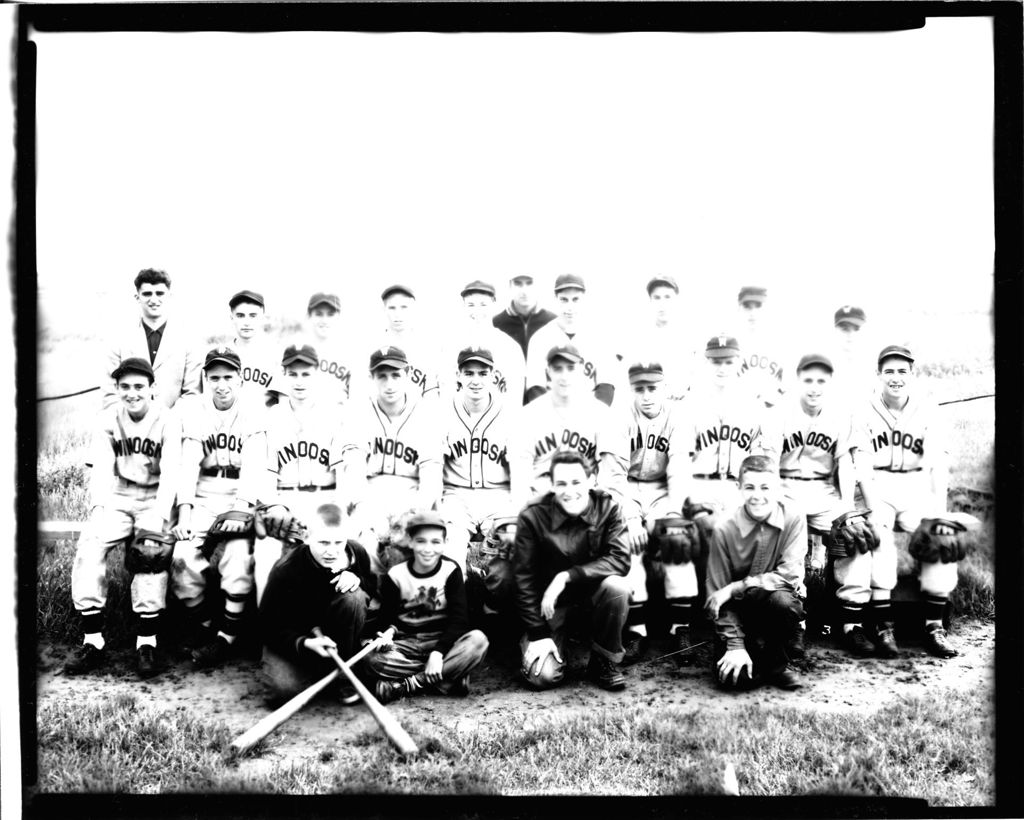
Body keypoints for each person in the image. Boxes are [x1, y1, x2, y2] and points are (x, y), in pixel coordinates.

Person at [64, 357, 182, 678]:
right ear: (117, 388)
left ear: (152, 388)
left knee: (150, 552)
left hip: (154, 496)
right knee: (90, 544)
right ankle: (93, 639)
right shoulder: (107, 419)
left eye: (139, 386)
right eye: (125, 387)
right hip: (118, 494)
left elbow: (171, 475)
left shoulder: (167, 420)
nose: (132, 393)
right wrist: (99, 509)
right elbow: (101, 470)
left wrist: (158, 518)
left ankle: (147, 641)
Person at [847, 344, 962, 658]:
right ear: (879, 375)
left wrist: (939, 512)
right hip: (877, 486)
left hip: (915, 485)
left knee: (941, 538)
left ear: (913, 374)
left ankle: (934, 626)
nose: (895, 378)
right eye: (889, 371)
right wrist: (871, 511)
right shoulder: (864, 408)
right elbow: (863, 467)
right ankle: (884, 626)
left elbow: (937, 464)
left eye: (902, 371)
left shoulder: (928, 409)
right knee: (878, 535)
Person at [169, 346, 264, 668]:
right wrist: (184, 511)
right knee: (182, 558)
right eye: (214, 378)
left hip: (241, 492)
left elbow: (254, 467)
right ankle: (207, 626)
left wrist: (241, 509)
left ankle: (228, 637)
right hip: (205, 493)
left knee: (237, 557)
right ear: (205, 380)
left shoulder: (254, 409)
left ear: (240, 379)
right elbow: (188, 465)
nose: (221, 384)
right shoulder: (195, 409)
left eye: (228, 377)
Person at [514, 450, 632, 692]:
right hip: (550, 605)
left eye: (577, 482)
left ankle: (603, 659)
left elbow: (620, 559)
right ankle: (553, 646)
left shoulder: (608, 507)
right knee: (543, 677)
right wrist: (538, 633)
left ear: (591, 480)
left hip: (592, 595)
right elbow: (523, 579)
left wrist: (568, 576)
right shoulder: (533, 514)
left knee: (618, 589)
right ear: (552, 486)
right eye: (561, 484)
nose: (569, 491)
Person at [610, 362, 697, 663]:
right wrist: (630, 518)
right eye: (640, 389)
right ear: (631, 390)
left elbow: (680, 470)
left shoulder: (677, 416)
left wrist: (671, 514)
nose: (647, 395)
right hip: (627, 491)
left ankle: (679, 626)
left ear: (664, 387)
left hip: (663, 490)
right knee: (628, 544)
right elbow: (613, 475)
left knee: (677, 538)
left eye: (652, 388)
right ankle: (637, 629)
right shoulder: (619, 415)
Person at [246, 343, 346, 605]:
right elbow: (265, 474)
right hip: (285, 499)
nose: (299, 381)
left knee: (335, 558)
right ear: (283, 374)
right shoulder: (271, 417)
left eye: (306, 374)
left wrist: (336, 510)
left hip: (325, 500)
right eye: (293, 374)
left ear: (318, 374)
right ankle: (269, 637)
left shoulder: (334, 415)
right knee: (266, 555)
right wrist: (276, 506)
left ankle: (338, 633)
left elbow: (342, 474)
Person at [437, 346, 529, 614]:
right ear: (458, 375)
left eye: (482, 373)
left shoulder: (511, 414)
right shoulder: (442, 411)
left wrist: (516, 513)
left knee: (507, 551)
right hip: (456, 494)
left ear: (493, 375)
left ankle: (501, 615)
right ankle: (453, 617)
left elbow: (520, 474)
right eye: (469, 373)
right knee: (450, 547)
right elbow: (433, 466)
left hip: (498, 495)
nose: (476, 380)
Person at [704, 455, 807, 691]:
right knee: (737, 682)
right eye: (749, 487)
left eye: (765, 487)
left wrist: (735, 587)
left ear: (778, 488)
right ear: (739, 488)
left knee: (785, 602)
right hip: (738, 612)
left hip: (774, 604)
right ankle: (747, 649)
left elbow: (788, 576)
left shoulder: (793, 518)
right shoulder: (725, 527)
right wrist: (734, 645)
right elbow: (716, 594)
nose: (757, 495)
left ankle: (778, 660)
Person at [258, 502, 374, 705]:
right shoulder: (286, 569)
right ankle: (322, 669)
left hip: (336, 634)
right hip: (297, 635)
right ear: (307, 537)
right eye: (323, 543)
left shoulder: (356, 552)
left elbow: (372, 588)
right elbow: (266, 626)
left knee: (354, 597)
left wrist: (357, 579)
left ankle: (342, 675)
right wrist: (305, 643)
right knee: (281, 692)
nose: (332, 551)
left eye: (339, 542)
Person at [367, 511, 489, 704]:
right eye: (421, 541)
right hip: (407, 644)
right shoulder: (396, 575)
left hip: (441, 641)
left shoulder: (451, 570)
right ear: (411, 542)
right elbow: (386, 619)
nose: (428, 549)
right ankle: (448, 677)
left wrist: (438, 653)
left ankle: (407, 685)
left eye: (435, 542)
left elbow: (459, 620)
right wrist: (387, 634)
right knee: (371, 658)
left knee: (478, 642)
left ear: (444, 543)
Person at [341, 346, 443, 560]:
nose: (389, 384)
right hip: (370, 493)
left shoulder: (426, 414)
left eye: (396, 375)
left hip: (411, 493)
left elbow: (431, 477)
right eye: (382, 376)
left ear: (407, 376)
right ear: (372, 378)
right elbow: (354, 471)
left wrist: (414, 511)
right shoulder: (358, 413)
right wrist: (365, 508)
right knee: (364, 547)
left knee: (411, 549)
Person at [517, 343, 625, 497]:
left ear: (582, 369)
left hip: (585, 503)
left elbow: (612, 478)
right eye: (558, 369)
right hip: (542, 504)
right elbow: (520, 481)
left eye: (570, 368)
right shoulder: (527, 416)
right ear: (548, 372)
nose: (564, 376)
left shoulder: (601, 414)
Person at [103, 268, 201, 409]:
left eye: (160, 293)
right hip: (130, 426)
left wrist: (168, 422)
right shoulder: (119, 341)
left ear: (169, 296)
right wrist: (133, 420)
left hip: (175, 426)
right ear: (137, 297)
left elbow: (193, 394)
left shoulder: (188, 341)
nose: (154, 300)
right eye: (147, 294)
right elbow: (110, 394)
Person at [524, 274, 621, 406]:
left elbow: (607, 387)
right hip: (551, 415)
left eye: (575, 299)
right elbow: (535, 389)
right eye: (564, 300)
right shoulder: (539, 339)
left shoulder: (600, 337)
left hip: (589, 413)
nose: (570, 307)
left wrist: (593, 416)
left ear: (584, 299)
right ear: (555, 299)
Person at [440, 280, 527, 403]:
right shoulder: (451, 346)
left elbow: (515, 398)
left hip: (499, 419)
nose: (477, 311)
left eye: (483, 304)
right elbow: (446, 393)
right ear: (463, 306)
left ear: (494, 305)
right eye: (471, 305)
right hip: (460, 418)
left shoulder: (510, 347)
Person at [620, 276, 701, 402]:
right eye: (657, 298)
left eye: (667, 297)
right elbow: (628, 378)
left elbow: (700, 376)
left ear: (676, 299)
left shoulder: (691, 337)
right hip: (650, 407)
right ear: (650, 300)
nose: (662, 303)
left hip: (684, 405)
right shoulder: (639, 338)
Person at [376, 284, 441, 400]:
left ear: (413, 308)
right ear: (384, 309)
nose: (398, 314)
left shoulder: (428, 347)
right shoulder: (374, 346)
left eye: (404, 307)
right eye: (392, 308)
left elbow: (431, 392)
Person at [733, 285, 788, 409]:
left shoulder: (783, 347)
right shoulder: (728, 344)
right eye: (747, 306)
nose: (752, 313)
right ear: (738, 308)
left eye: (758, 306)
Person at [300, 292, 359, 407]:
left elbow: (357, 400)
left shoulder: (350, 355)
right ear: (309, 315)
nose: (324, 320)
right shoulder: (297, 351)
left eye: (330, 314)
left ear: (338, 316)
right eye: (319, 314)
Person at [226, 289, 278, 405]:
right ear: (232, 318)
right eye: (240, 316)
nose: (247, 322)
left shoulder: (276, 356)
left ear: (262, 318)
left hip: (265, 421)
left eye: (253, 316)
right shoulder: (221, 355)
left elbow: (283, 403)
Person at [492, 273, 556, 359]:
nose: (524, 290)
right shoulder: (496, 323)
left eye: (529, 283)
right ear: (510, 285)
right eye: (518, 284)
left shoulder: (552, 321)